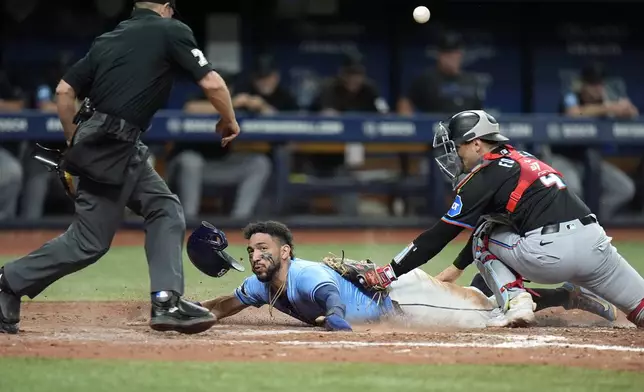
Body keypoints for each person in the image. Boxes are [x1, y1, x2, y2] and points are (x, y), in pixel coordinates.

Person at [0, 0, 240, 335]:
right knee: (88, 242)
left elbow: (64, 91)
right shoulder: (172, 28)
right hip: (113, 142)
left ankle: (166, 300)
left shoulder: (109, 38)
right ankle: (7, 282)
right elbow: (213, 83)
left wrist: (74, 142)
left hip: (116, 143)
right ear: (168, 7)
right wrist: (228, 120)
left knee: (164, 208)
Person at [346, 109, 644, 328]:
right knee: (641, 307)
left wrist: (389, 273)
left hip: (551, 252)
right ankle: (547, 297)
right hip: (595, 244)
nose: (455, 153)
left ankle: (517, 303)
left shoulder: (484, 175)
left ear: (477, 143)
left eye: (458, 145)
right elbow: (490, 224)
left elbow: (442, 234)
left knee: (483, 239)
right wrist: (455, 268)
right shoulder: (520, 158)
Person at [190, 221, 616, 330]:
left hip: (402, 300)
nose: (255, 255)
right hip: (393, 297)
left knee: (488, 313)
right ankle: (544, 291)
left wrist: (335, 320)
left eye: (263, 248)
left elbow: (329, 298)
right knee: (474, 298)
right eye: (251, 250)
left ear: (285, 252)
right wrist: (192, 311)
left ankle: (561, 294)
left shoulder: (302, 274)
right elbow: (223, 306)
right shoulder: (258, 284)